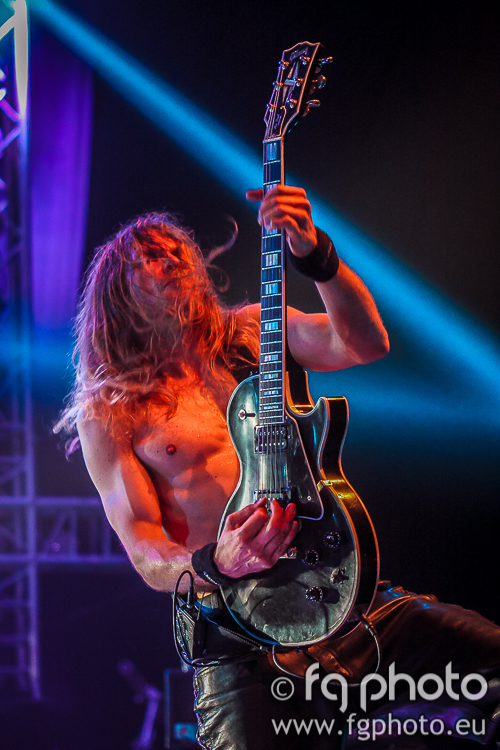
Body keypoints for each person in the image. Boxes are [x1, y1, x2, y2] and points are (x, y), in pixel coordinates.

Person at [58, 186, 500, 749]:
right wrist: (217, 561)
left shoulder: (253, 335)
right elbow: (144, 548)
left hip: (340, 601)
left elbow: (365, 344)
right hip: (239, 643)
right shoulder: (113, 408)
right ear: (120, 291)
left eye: (177, 252)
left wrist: (316, 254)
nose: (171, 262)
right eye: (152, 258)